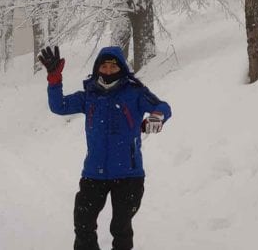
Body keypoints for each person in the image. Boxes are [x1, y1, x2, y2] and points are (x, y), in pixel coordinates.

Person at [38, 45, 172, 250]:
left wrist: (157, 117)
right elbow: (59, 106)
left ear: (122, 69)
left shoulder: (134, 92)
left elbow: (162, 107)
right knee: (83, 225)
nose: (108, 70)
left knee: (121, 228)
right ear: (97, 68)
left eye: (113, 66)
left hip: (128, 175)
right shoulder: (89, 95)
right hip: (94, 174)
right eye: (104, 66)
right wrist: (54, 79)